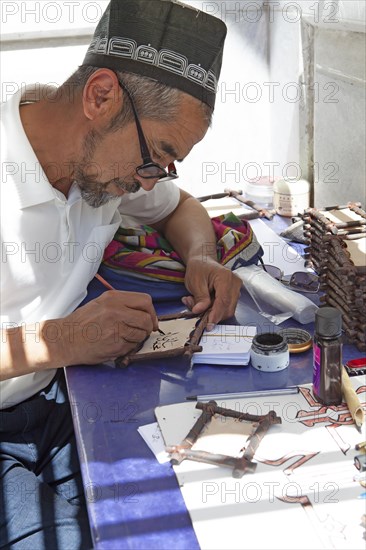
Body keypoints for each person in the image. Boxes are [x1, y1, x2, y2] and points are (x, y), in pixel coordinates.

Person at [0, 0, 242, 547]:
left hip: (58, 402)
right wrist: (63, 338)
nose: (149, 180)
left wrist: (203, 255)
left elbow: (180, 208)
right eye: (156, 155)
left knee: (185, 504)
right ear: (101, 96)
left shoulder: (102, 168)